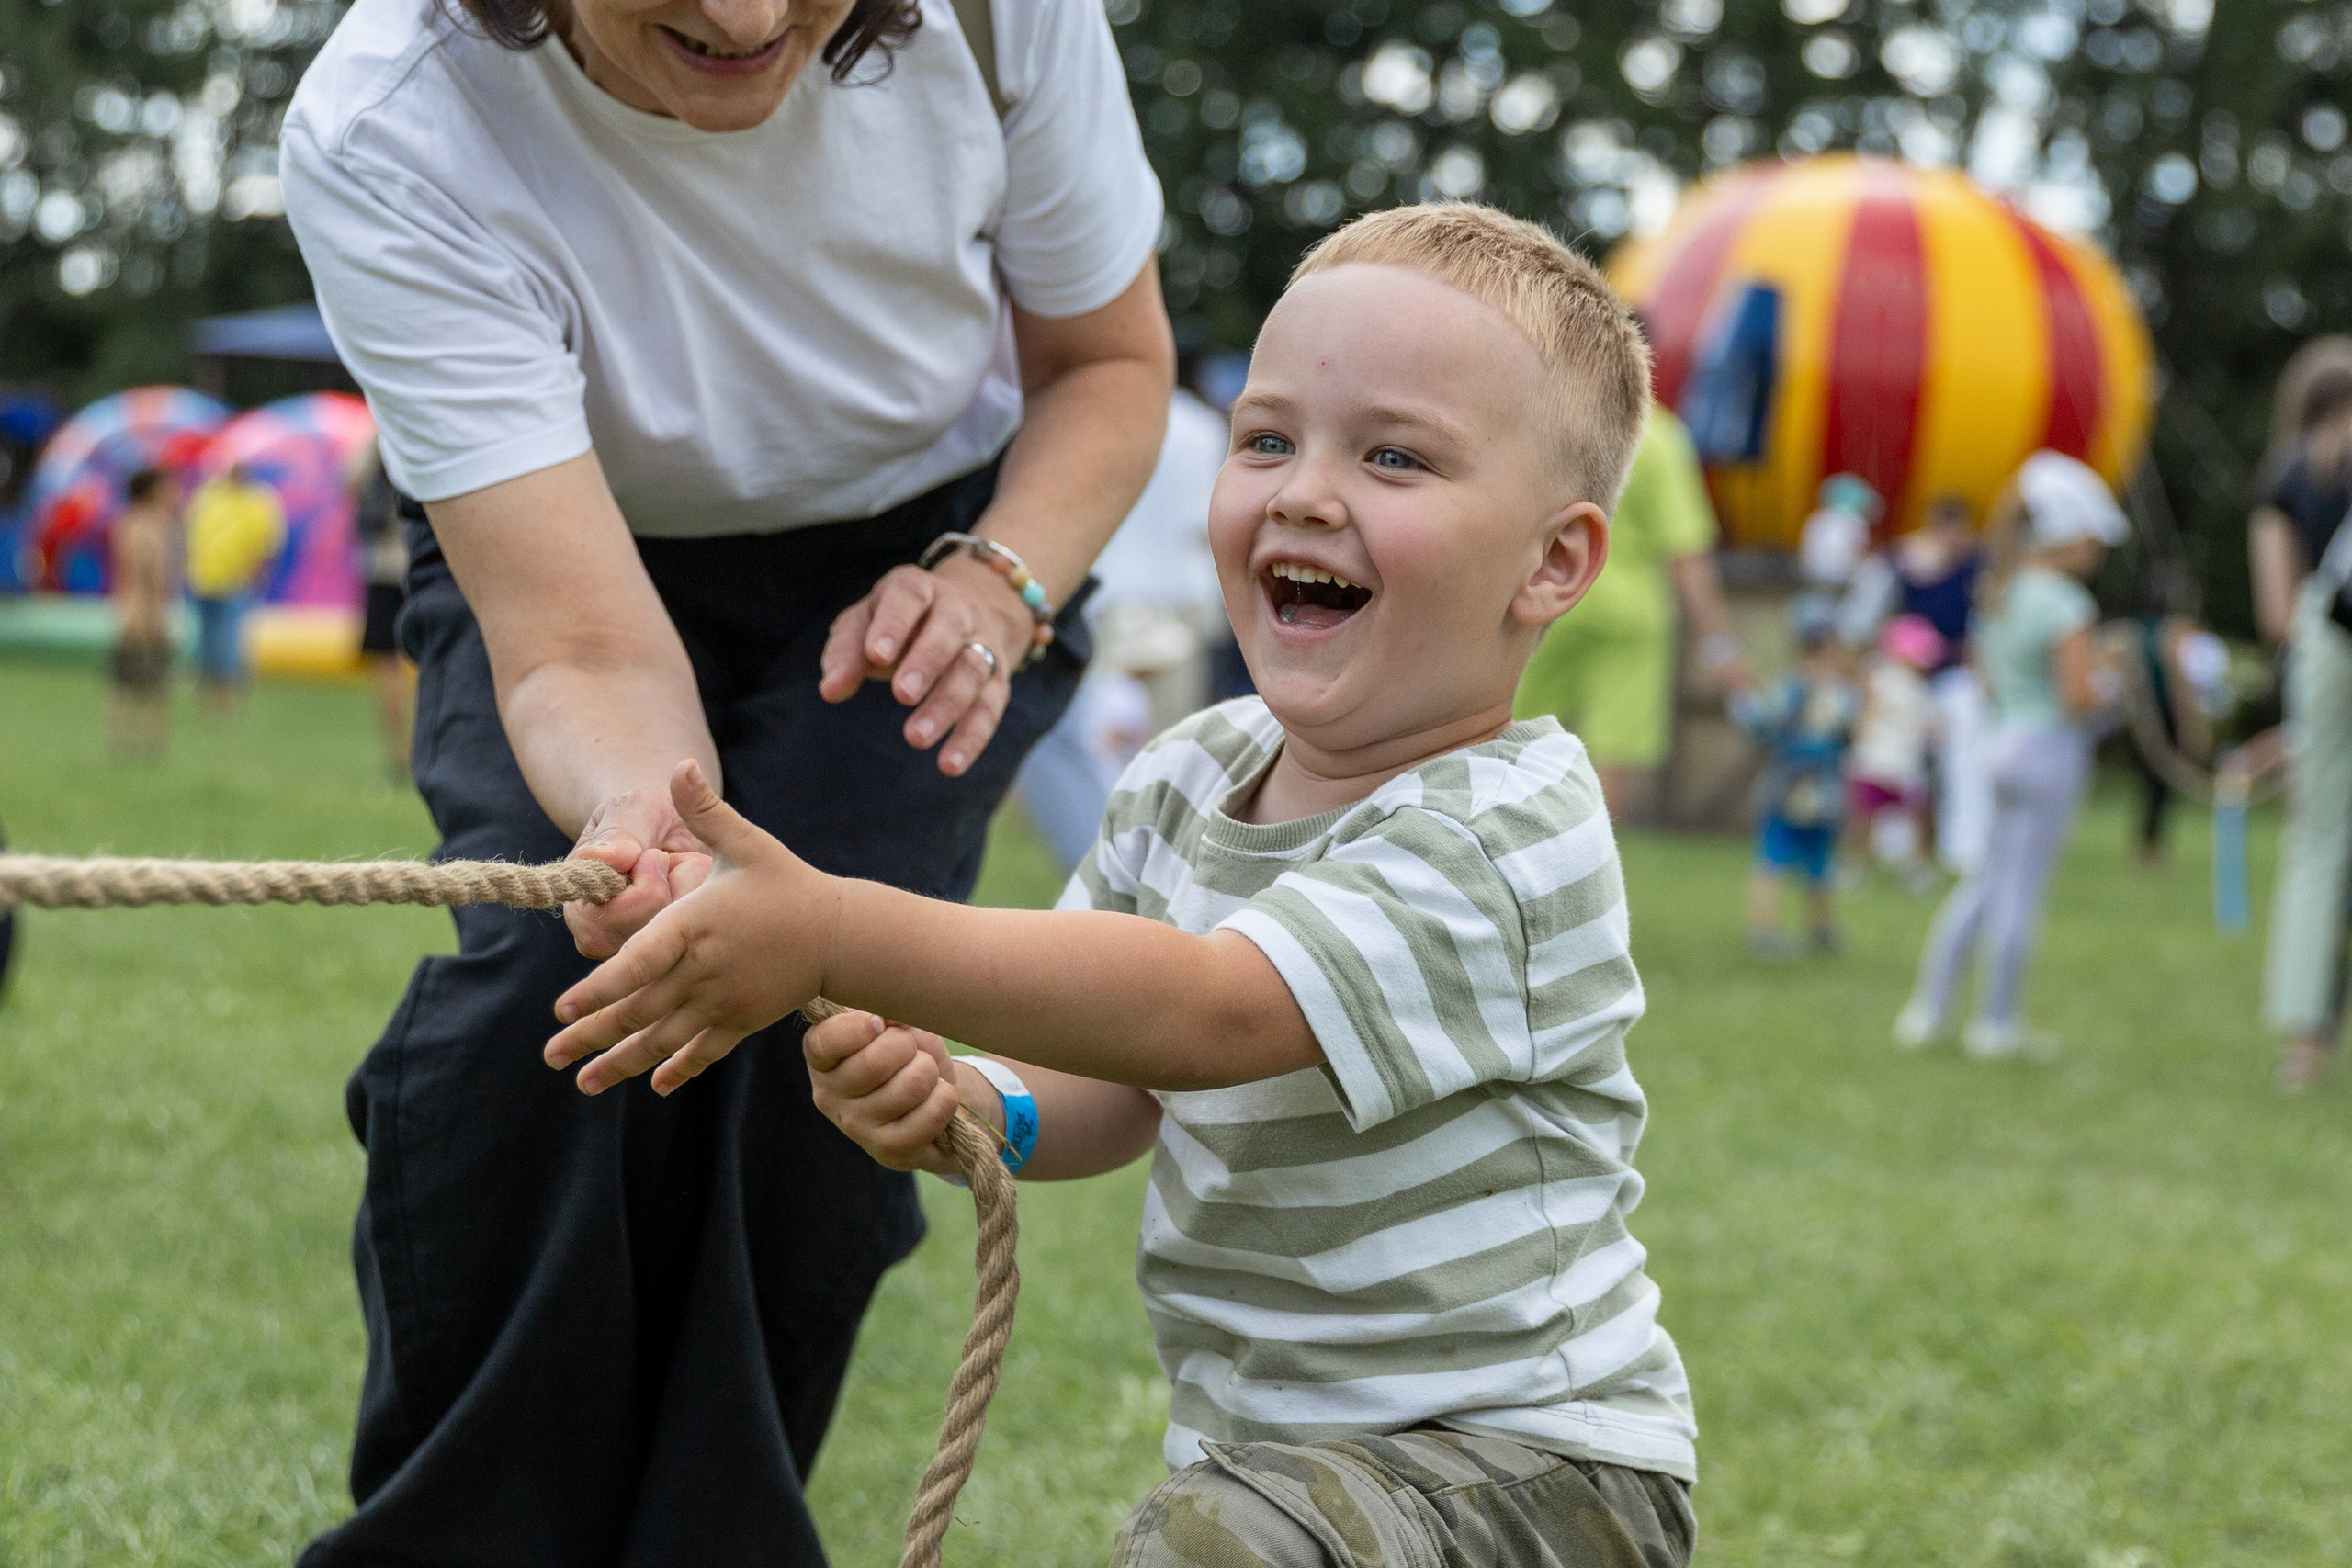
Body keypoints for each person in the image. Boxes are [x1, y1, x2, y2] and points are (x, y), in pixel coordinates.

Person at [541, 205, 1696, 1568]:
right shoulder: (1191, 772)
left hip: (1531, 1468)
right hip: (1291, 1470)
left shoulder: (1511, 826)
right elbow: (1122, 1078)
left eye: (1394, 456)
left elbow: (1206, 1016)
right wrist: (983, 1103)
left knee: (1215, 1546)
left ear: (1554, 561)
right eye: (1267, 438)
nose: (1305, 491)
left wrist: (831, 936)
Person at [280, 0, 1172, 1557]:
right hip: (570, 551)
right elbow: (574, 644)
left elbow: (1107, 360)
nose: (747, 17)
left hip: (932, 553)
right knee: (557, 1016)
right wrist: (650, 826)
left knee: (818, 1033)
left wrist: (994, 581)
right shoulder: (389, 125)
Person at [1897, 451, 2127, 1059]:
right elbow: (2079, 696)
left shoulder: (2002, 586)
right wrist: (2112, 686)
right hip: (2048, 750)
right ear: (2070, 535)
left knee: (1982, 884)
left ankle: (1929, 1009)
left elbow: (1990, 680)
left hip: (2000, 745)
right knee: (2020, 892)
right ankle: (1996, 1024)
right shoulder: (2067, 603)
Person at [1016, 340, 1229, 869]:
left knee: (1100, 752)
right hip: (1183, 602)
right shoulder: (1204, 427)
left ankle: (1107, 873)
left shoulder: (1114, 418)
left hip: (1108, 601)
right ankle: (1147, 875)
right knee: (1173, 761)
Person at [1516, 402, 1750, 820]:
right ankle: (1583, 868)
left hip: (1544, 603)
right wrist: (1718, 645)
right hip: (1630, 620)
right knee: (1613, 758)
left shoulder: (1552, 418)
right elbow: (1686, 550)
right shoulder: (1659, 437)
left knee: (1510, 743)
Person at [2250, 348, 2352, 1089]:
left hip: (2324, 649)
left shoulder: (2285, 473)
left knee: (2318, 847)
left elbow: (2277, 613)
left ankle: (2303, 1047)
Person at [1733, 593, 1860, 956]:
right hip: (1825, 787)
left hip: (1784, 784)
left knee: (1771, 858)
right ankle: (1821, 930)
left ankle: (1765, 931)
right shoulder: (1844, 693)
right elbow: (1851, 735)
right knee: (1820, 861)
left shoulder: (1786, 686)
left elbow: (1761, 727)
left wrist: (1742, 704)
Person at [1896, 496, 1990, 873]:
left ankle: (1965, 846)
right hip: (1910, 676)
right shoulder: (1905, 562)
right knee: (1900, 758)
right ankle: (1899, 843)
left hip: (1958, 675)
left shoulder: (1980, 566)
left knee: (1964, 759)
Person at [1847, 612, 1944, 892]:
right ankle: (1855, 865)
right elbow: (1867, 714)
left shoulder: (1918, 687)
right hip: (1877, 759)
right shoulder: (1882, 679)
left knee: (1915, 817)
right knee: (1866, 818)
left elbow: (1926, 723)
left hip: (1906, 764)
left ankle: (1914, 867)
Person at [181, 463, 285, 711]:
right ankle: (210, 692)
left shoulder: (256, 501)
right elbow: (191, 530)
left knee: (227, 640)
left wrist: (257, 572)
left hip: (234, 580)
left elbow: (267, 543)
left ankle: (224, 696)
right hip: (204, 578)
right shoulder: (210, 496)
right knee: (207, 639)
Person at [107, 467, 177, 757]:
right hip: (147, 614)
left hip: (124, 611)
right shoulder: (155, 528)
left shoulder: (124, 524)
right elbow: (155, 577)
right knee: (156, 685)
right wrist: (160, 617)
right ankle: (153, 744)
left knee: (122, 684)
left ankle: (121, 741)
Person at [354, 449, 413, 783]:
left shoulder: (376, 441)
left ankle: (396, 752)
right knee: (428, 665)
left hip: (382, 569)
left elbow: (350, 481)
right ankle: (421, 751)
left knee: (387, 668)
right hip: (421, 567)